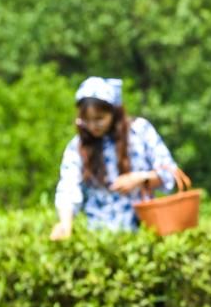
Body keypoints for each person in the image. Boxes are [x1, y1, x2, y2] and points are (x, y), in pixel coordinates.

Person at [51, 77, 179, 240]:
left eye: (99, 119)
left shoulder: (140, 131)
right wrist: (65, 223)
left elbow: (171, 173)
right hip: (98, 236)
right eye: (86, 120)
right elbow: (68, 187)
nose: (92, 126)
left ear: (113, 112)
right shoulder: (78, 146)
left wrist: (140, 178)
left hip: (143, 233)